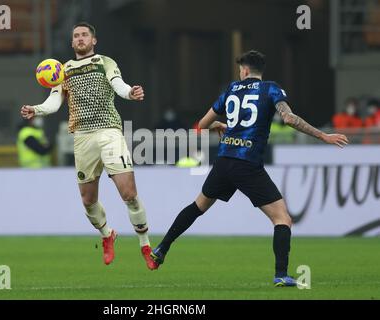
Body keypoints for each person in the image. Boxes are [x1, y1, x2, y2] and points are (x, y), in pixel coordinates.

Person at [150, 50, 349, 286]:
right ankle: (281, 274)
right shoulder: (271, 89)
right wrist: (323, 136)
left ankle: (162, 247)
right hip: (248, 163)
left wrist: (218, 124)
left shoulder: (231, 90)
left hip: (224, 162)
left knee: (198, 206)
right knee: (282, 218)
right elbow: (289, 119)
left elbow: (201, 125)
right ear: (258, 71)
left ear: (244, 70)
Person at [20, 22, 157, 270]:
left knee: (129, 193)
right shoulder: (63, 71)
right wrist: (36, 109)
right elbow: (53, 102)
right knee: (88, 200)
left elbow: (118, 84)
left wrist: (130, 93)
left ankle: (145, 246)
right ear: (72, 43)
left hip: (109, 132)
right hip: (82, 137)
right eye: (76, 36)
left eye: (85, 35)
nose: (80, 38)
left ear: (94, 40)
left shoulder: (105, 62)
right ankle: (107, 235)